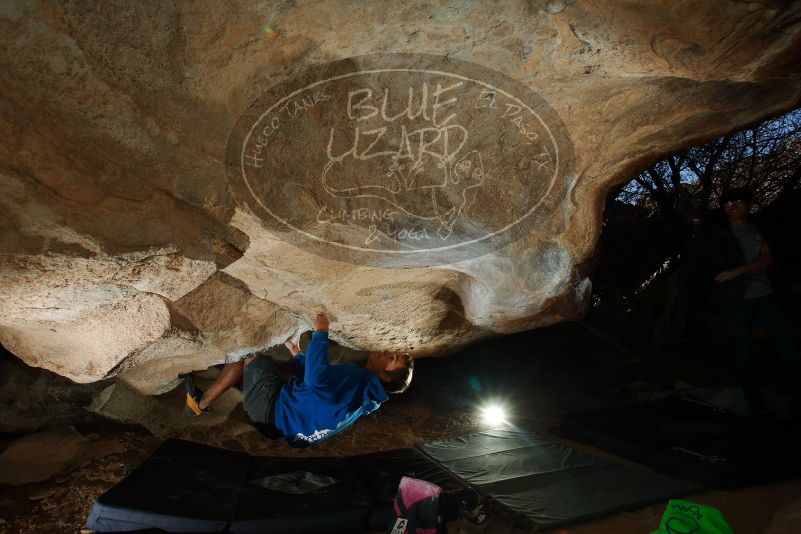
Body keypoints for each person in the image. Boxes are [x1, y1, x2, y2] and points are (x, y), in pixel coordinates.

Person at [182, 311, 414, 447]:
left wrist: (321, 333)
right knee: (275, 372)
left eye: (392, 357)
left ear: (385, 374)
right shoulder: (362, 399)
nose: (386, 351)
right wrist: (297, 353)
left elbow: (317, 381)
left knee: (249, 355)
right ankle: (224, 372)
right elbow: (321, 394)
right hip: (278, 426)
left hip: (271, 410)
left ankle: (198, 403)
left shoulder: (357, 379)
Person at [692, 187, 801, 415]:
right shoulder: (717, 232)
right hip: (736, 298)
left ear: (749, 204)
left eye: (739, 201)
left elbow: (768, 258)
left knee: (785, 345)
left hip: (765, 295)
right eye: (728, 203)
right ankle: (752, 398)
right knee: (744, 349)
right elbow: (704, 261)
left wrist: (736, 272)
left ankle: (795, 392)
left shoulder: (760, 227)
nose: (734, 206)